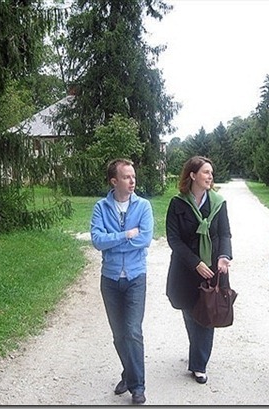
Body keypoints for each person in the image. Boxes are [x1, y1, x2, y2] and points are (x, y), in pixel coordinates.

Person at [165, 156, 233, 385]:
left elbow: (224, 233)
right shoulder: (177, 203)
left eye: (211, 173)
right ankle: (197, 350)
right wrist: (195, 262)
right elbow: (174, 239)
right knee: (189, 313)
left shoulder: (218, 203)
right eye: (205, 172)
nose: (210, 176)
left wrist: (224, 257)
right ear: (192, 175)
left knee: (207, 315)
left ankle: (199, 365)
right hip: (186, 268)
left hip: (213, 269)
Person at [90, 158, 153, 405]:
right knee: (118, 334)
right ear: (114, 181)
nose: (132, 181)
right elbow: (97, 241)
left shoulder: (143, 206)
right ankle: (128, 373)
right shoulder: (100, 208)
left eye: (133, 176)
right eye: (127, 177)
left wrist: (113, 240)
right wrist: (126, 234)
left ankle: (138, 387)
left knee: (133, 331)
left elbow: (144, 239)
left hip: (136, 277)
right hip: (110, 279)